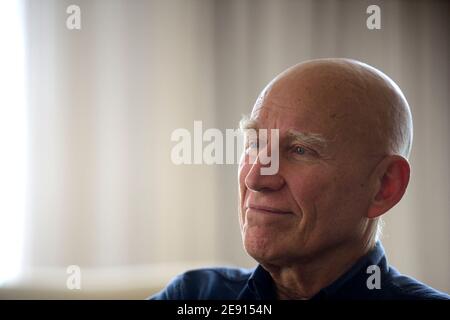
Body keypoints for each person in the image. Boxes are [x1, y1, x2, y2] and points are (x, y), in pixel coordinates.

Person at [151, 58, 449, 300]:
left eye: (299, 150)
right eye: (254, 144)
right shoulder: (194, 296)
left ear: (384, 186)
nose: (255, 178)